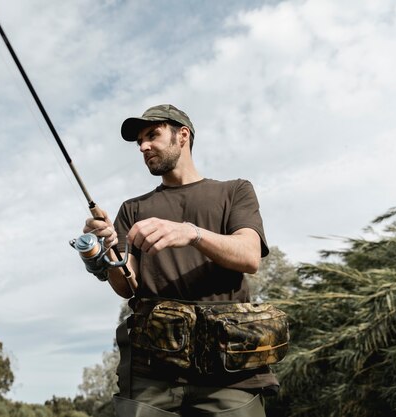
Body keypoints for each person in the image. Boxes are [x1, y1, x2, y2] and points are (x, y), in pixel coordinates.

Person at [82, 104, 278, 417]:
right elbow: (126, 284)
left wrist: (192, 233)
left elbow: (249, 256)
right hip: (150, 372)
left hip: (228, 373)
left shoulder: (235, 191)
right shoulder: (131, 209)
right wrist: (102, 251)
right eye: (140, 143)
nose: (144, 147)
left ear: (182, 135)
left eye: (152, 135)